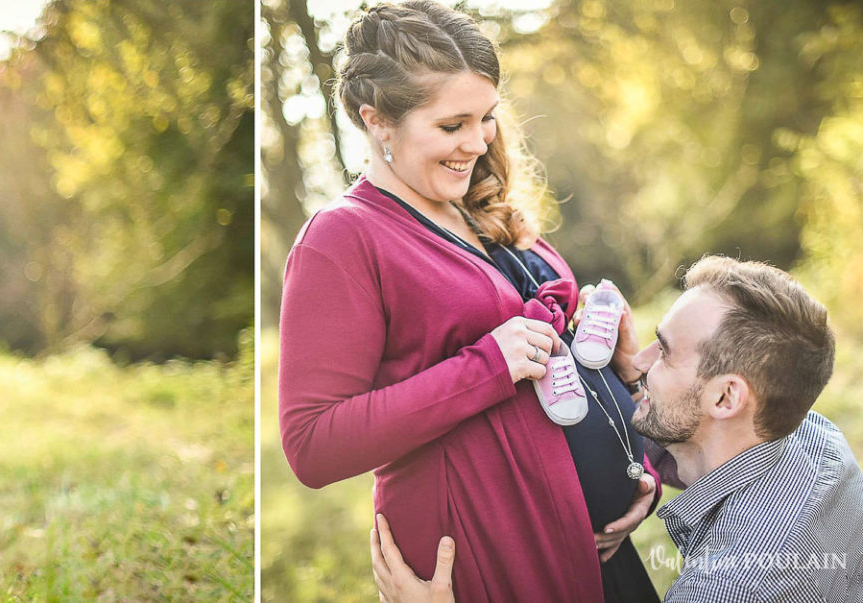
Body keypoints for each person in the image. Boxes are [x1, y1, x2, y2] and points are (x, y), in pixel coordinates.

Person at [277, 2, 659, 600]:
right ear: (377, 120)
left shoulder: (481, 207)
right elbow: (312, 444)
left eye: (486, 118)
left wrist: (638, 462)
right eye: (453, 126)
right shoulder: (342, 239)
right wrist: (488, 366)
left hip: (599, 551)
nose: (478, 143)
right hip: (495, 561)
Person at [375, 256, 863, 602]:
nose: (641, 361)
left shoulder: (727, 588)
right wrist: (632, 381)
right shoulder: (813, 439)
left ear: (726, 398)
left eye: (664, 350)